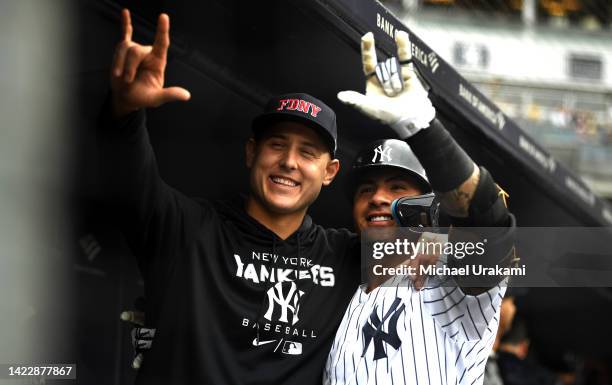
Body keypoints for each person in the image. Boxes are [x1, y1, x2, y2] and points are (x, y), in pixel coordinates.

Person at [101, 9, 360, 385]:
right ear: (251, 153)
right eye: (276, 145)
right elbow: (127, 179)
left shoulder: (347, 258)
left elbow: (474, 257)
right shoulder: (188, 231)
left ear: (330, 172)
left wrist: (422, 131)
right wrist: (124, 112)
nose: (289, 162)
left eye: (307, 152)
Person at [322, 30, 516, 385]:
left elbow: (487, 218)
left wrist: (422, 130)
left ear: (429, 205)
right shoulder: (350, 289)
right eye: (366, 189)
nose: (379, 198)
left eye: (397, 187)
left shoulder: (442, 278)